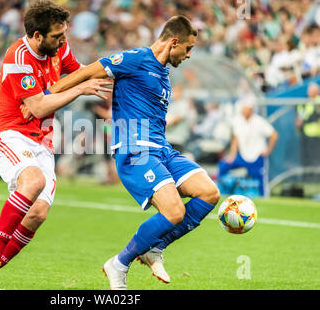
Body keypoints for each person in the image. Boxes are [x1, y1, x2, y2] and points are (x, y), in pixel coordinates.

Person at [49, 15, 221, 290]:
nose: (189, 55)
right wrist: (48, 95)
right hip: (136, 151)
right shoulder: (136, 59)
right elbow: (85, 73)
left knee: (209, 193)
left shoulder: (163, 72)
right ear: (174, 42)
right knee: (175, 211)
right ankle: (119, 263)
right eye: (188, 48)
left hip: (162, 149)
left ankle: (155, 248)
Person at [0, 0, 112, 290]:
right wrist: (80, 88)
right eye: (57, 36)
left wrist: (122, 72)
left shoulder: (59, 48)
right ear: (36, 36)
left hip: (42, 142)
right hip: (10, 134)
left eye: (64, 34)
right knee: (32, 181)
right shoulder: (18, 57)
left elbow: (83, 71)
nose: (63, 41)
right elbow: (39, 106)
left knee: (37, 214)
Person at [218, 99, 279, 197]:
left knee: (261, 181)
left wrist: (268, 150)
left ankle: (264, 196)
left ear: (251, 110)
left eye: (245, 109)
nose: (243, 111)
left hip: (257, 156)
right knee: (224, 165)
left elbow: (274, 135)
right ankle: (221, 191)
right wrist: (232, 155)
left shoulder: (259, 121)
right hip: (243, 155)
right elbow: (236, 139)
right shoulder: (238, 121)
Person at [296, 82, 320, 167]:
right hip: (304, 132)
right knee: (306, 157)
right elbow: (300, 115)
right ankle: (307, 176)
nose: (309, 92)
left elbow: (316, 113)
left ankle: (315, 176)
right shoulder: (305, 102)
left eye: (311, 90)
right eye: (309, 90)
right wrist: (298, 123)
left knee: (315, 157)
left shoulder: (318, 100)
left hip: (316, 134)